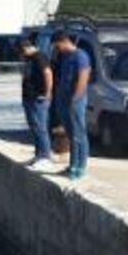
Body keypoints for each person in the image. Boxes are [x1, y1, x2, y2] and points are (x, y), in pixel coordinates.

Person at [52, 30, 92, 180]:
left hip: (75, 101)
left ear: (64, 41)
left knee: (78, 134)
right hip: (63, 99)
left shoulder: (80, 56)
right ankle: (72, 165)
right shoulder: (66, 57)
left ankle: (80, 167)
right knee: (70, 135)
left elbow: (83, 77)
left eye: (57, 46)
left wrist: (76, 99)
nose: (57, 49)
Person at [18, 35, 56, 172]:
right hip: (29, 97)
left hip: (38, 98)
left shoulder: (39, 57)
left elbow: (48, 73)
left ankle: (46, 156)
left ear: (26, 48)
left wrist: (48, 92)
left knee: (41, 127)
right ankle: (39, 155)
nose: (21, 55)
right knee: (34, 126)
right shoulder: (30, 58)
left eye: (21, 52)